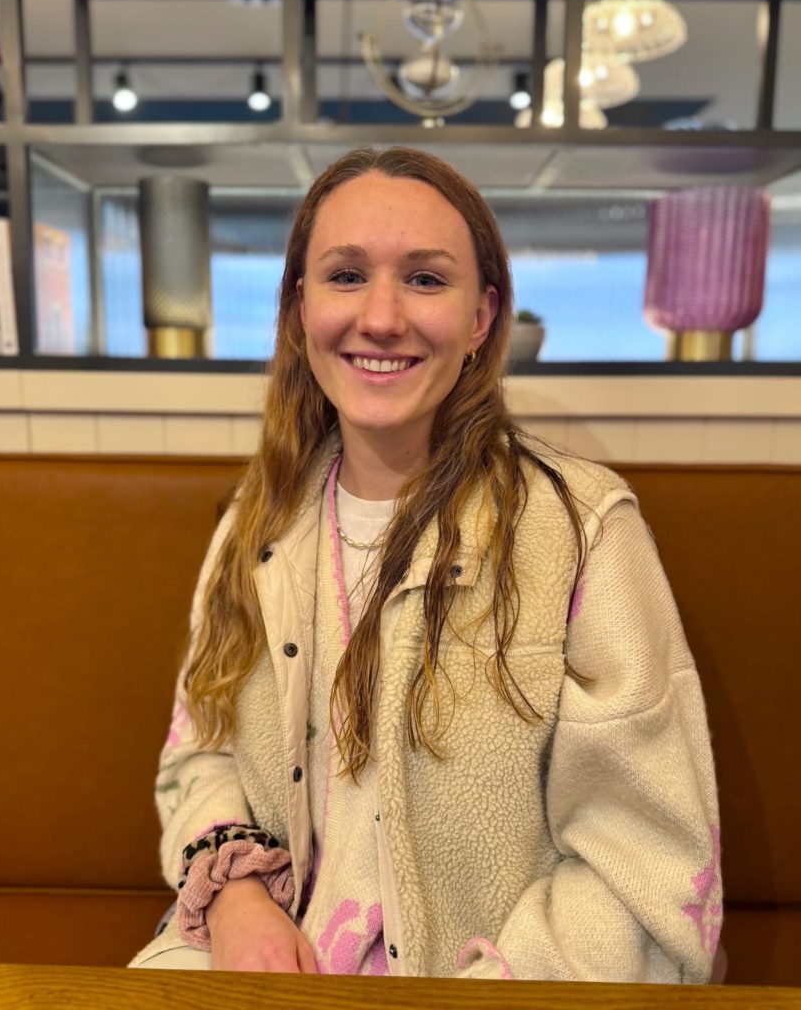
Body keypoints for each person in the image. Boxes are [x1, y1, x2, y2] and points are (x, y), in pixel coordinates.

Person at [130, 146, 721, 981]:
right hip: (258, 957)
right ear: (299, 307)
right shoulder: (253, 525)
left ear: (481, 318)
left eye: (424, 279)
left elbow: (643, 864)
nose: (380, 317)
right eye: (344, 276)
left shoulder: (584, 532)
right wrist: (236, 898)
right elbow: (201, 752)